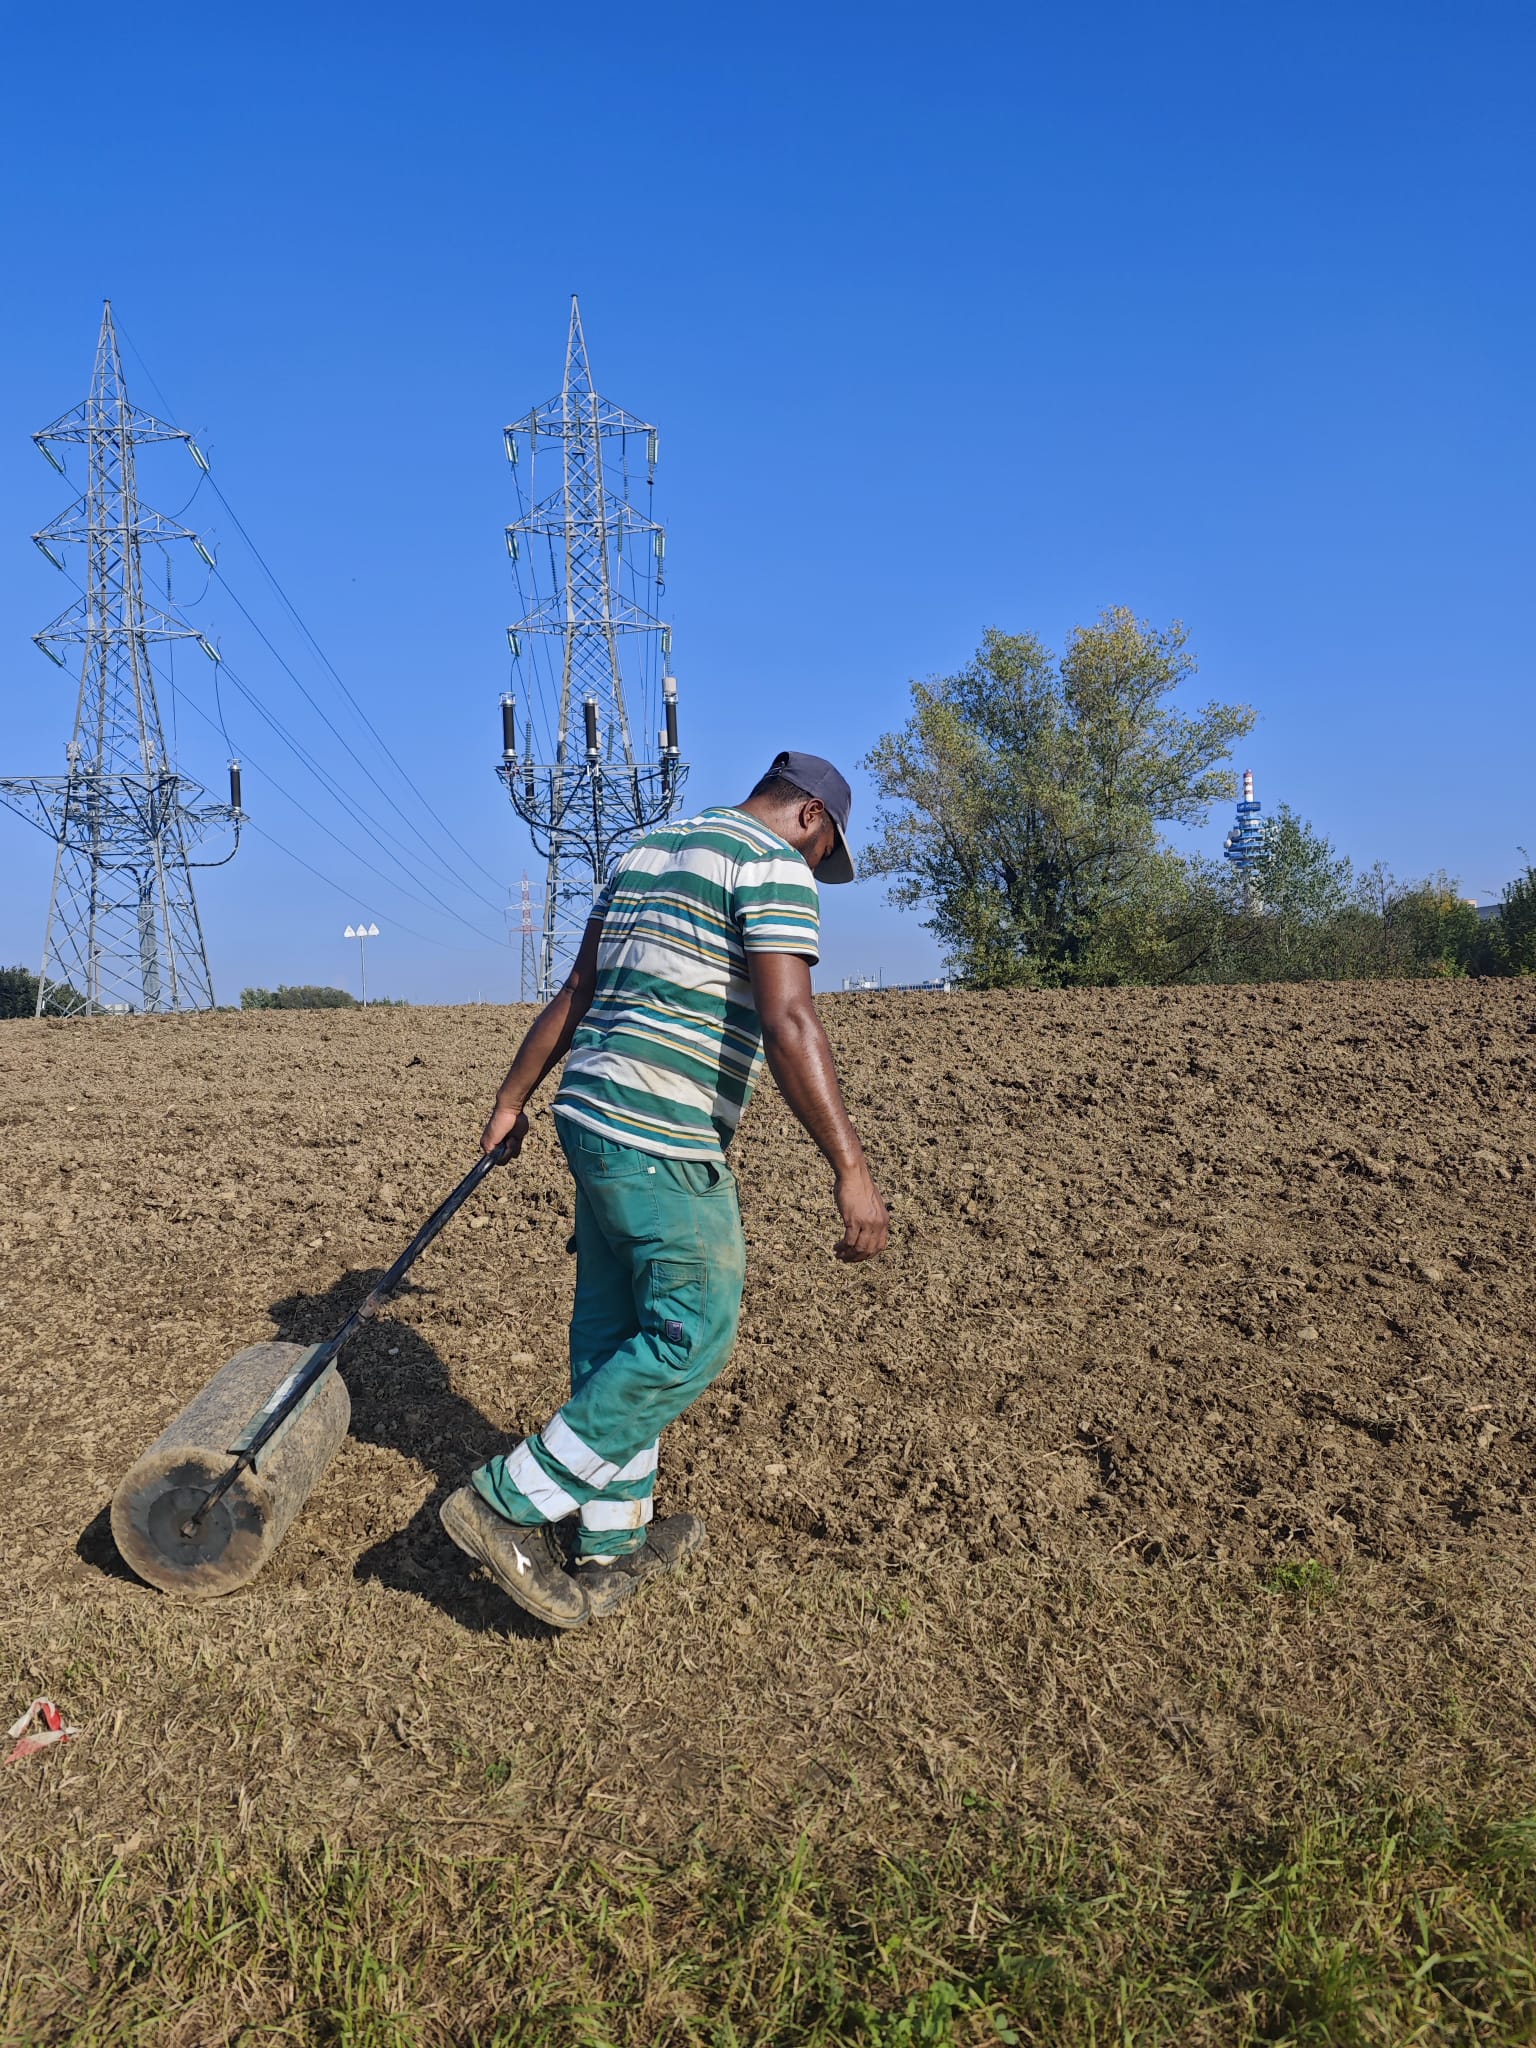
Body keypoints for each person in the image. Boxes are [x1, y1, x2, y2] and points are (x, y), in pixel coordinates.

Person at [439, 750, 890, 1628]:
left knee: (618, 1334)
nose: (814, 870)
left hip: (589, 1116)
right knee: (692, 1333)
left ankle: (610, 1541)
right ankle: (505, 1501)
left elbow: (577, 990)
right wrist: (851, 1169)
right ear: (811, 817)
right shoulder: (771, 865)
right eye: (823, 853)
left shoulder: (643, 852)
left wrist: (511, 1100)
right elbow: (790, 1018)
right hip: (659, 1133)